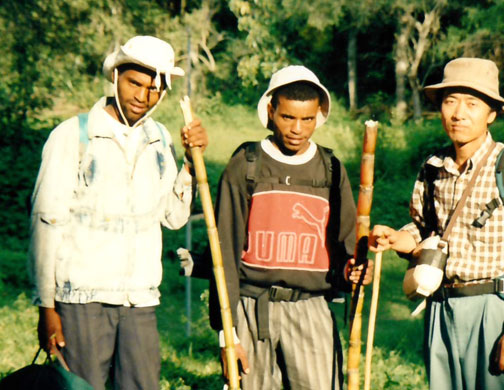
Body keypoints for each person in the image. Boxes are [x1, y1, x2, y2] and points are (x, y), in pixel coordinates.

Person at [28, 35, 208, 390]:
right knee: (82, 386)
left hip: (139, 298)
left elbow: (172, 217)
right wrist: (45, 306)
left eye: (153, 89)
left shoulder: (159, 140)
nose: (142, 96)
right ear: (116, 77)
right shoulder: (74, 137)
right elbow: (46, 224)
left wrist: (190, 165)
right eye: (134, 83)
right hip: (82, 297)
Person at [181, 65, 372, 389]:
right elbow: (224, 251)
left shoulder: (330, 169)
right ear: (271, 111)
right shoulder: (246, 164)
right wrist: (227, 337)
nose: (298, 129)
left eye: (307, 119)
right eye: (287, 117)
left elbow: (346, 247)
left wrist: (354, 270)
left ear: (319, 115)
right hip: (251, 307)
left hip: (311, 309)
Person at [369, 58, 504, 390]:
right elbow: (426, 232)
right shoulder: (433, 167)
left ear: (492, 113)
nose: (458, 113)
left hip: (494, 310)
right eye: (450, 101)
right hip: (440, 309)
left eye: (472, 103)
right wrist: (397, 238)